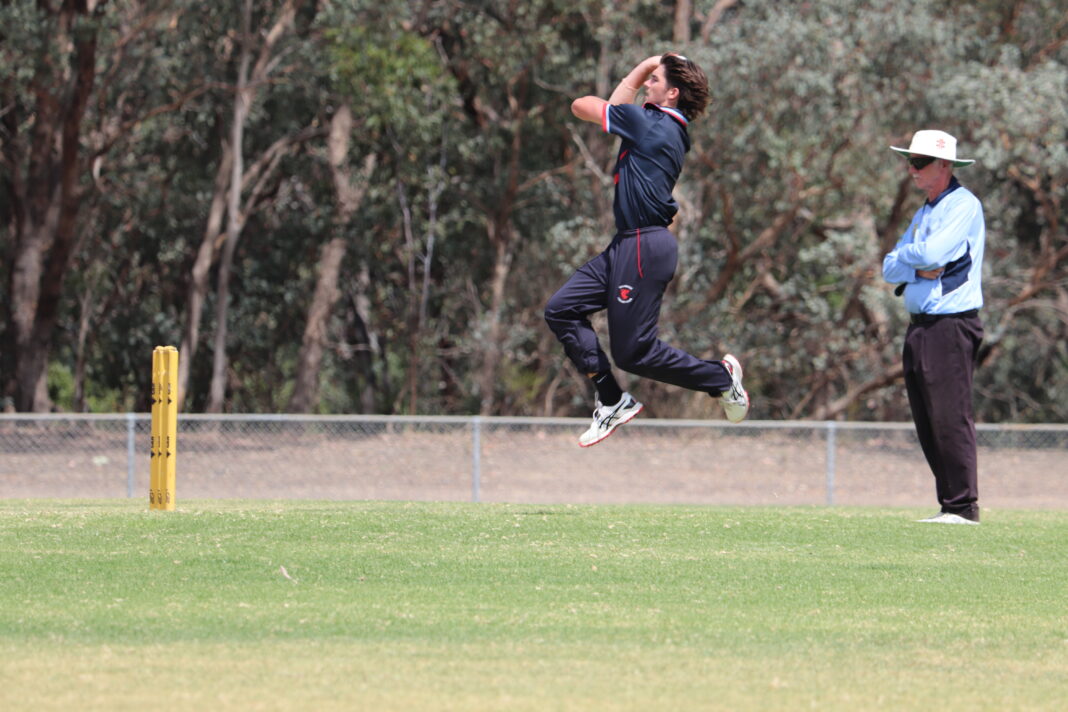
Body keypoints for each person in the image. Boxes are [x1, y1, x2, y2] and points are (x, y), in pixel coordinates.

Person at [544, 52, 749, 448]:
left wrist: (642, 67)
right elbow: (616, 108)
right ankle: (611, 399)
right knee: (562, 309)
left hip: (643, 246)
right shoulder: (662, 125)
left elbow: (582, 106)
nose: (646, 85)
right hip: (627, 243)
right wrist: (651, 69)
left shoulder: (649, 122)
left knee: (633, 354)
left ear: (672, 93)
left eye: (655, 80)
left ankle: (721, 379)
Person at [882, 129, 985, 525]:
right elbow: (890, 266)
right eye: (910, 161)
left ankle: (963, 507)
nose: (912, 168)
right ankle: (949, 505)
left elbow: (933, 253)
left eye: (920, 162)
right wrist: (913, 265)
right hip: (921, 327)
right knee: (928, 421)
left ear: (944, 165)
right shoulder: (925, 211)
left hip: (951, 326)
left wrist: (909, 258)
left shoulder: (964, 205)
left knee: (950, 416)